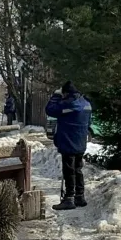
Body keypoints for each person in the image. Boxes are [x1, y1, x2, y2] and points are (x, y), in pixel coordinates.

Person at [46, 81, 92, 210]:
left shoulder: (67, 104)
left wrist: (56, 96)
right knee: (78, 169)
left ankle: (69, 198)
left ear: (66, 93)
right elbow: (89, 122)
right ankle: (80, 196)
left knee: (69, 170)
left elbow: (49, 110)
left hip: (68, 142)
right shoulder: (86, 104)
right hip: (81, 142)